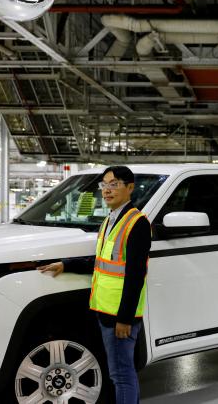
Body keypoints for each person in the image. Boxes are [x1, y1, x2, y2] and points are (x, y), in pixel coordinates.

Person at [37, 166, 151, 404]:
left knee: (120, 374)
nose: (107, 190)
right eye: (104, 185)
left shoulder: (136, 223)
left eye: (114, 184)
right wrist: (66, 265)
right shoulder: (110, 220)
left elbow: (135, 274)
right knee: (122, 371)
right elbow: (102, 262)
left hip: (118, 314)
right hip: (105, 309)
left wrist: (125, 318)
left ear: (130, 188)